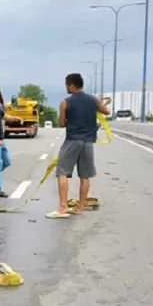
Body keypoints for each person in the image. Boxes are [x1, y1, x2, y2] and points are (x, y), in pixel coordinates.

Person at [48, 73, 110, 219]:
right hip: (88, 142)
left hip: (72, 140)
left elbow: (61, 123)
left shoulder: (65, 102)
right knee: (85, 176)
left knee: (62, 172)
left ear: (72, 85)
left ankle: (63, 207)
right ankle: (80, 208)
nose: (66, 88)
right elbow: (106, 111)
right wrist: (97, 104)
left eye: (66, 85)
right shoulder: (93, 100)